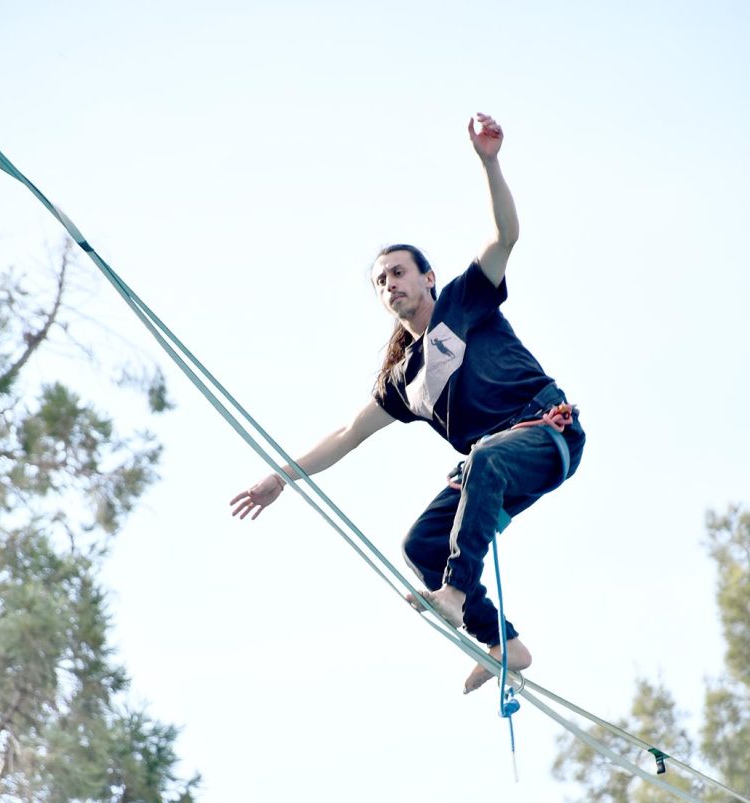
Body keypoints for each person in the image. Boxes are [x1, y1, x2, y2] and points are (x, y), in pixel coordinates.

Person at [231, 113, 585, 694]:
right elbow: (346, 433)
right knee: (420, 544)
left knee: (487, 458)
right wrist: (282, 478)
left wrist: (490, 163)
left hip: (547, 434)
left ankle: (452, 592)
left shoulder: (463, 302)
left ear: (427, 278)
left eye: (398, 272)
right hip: (495, 463)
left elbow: (505, 238)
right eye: (379, 281)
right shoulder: (403, 381)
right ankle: (504, 643)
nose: (389, 283)